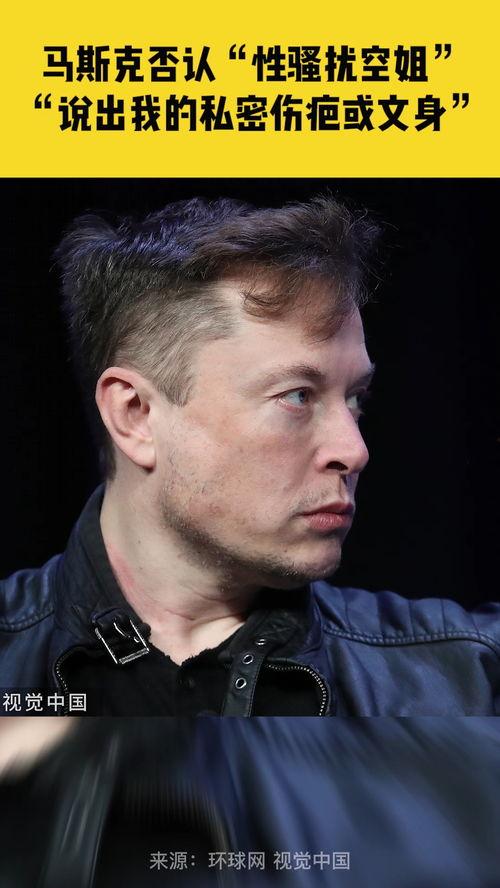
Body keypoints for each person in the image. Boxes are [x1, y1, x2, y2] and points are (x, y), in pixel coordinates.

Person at [1, 195, 499, 715]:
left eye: (355, 399)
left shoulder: (468, 680)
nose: (354, 451)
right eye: (297, 396)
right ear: (136, 414)